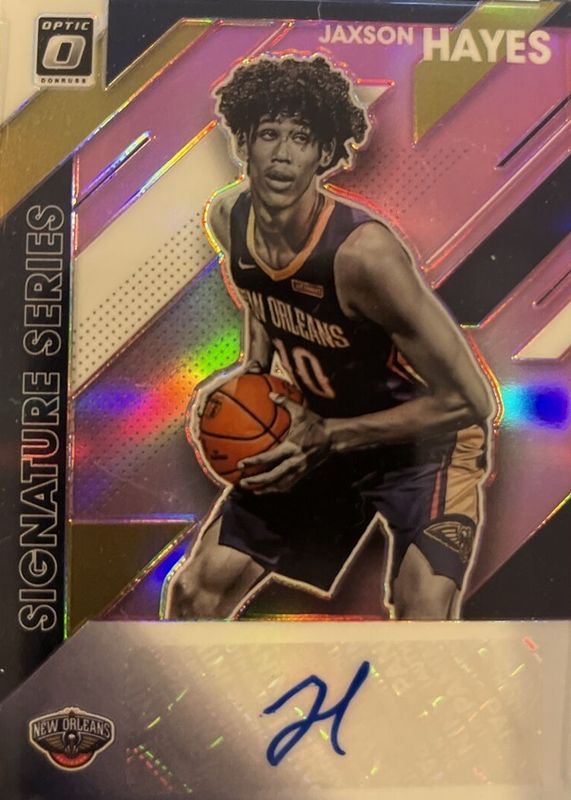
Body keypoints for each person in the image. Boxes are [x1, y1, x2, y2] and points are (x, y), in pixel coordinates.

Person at [163, 55, 495, 621]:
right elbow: (263, 296)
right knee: (197, 592)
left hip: (425, 443)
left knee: (423, 614)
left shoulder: (364, 257)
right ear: (243, 143)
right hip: (319, 426)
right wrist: (253, 373)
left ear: (325, 154)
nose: (283, 154)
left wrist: (332, 436)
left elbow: (472, 401)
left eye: (302, 138)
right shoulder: (228, 219)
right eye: (269, 134)